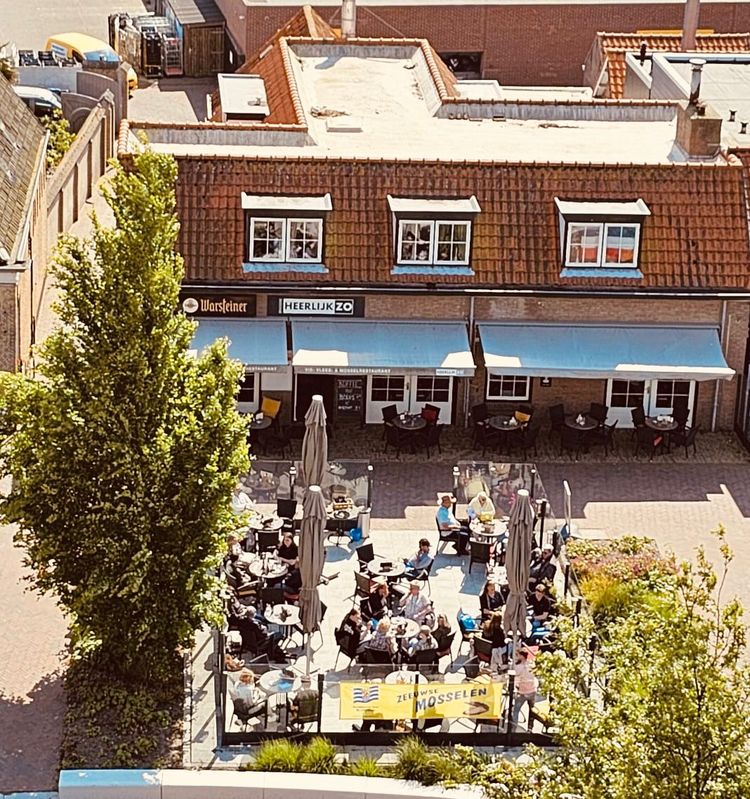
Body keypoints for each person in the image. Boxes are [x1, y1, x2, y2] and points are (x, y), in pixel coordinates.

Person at [511, 648, 538, 731]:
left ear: (522, 656)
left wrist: (515, 689)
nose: (516, 657)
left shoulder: (518, 667)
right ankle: (530, 728)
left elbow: (516, 680)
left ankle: (513, 728)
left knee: (516, 711)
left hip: (522, 692)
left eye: (518, 655)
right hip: (532, 690)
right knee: (532, 711)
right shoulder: (532, 665)